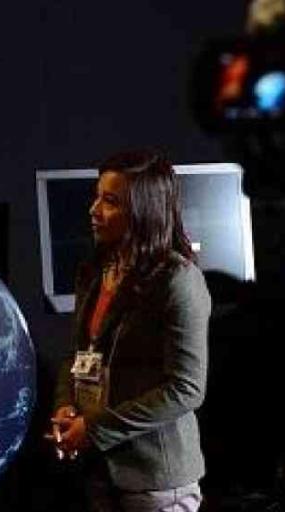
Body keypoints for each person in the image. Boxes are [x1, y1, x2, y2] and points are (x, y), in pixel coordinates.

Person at [46, 149, 211, 512]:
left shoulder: (178, 280)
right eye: (96, 196)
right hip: (99, 476)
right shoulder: (93, 271)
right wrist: (66, 407)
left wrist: (94, 428)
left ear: (143, 211)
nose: (93, 210)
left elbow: (187, 389)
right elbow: (77, 354)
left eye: (110, 201)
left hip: (155, 482)